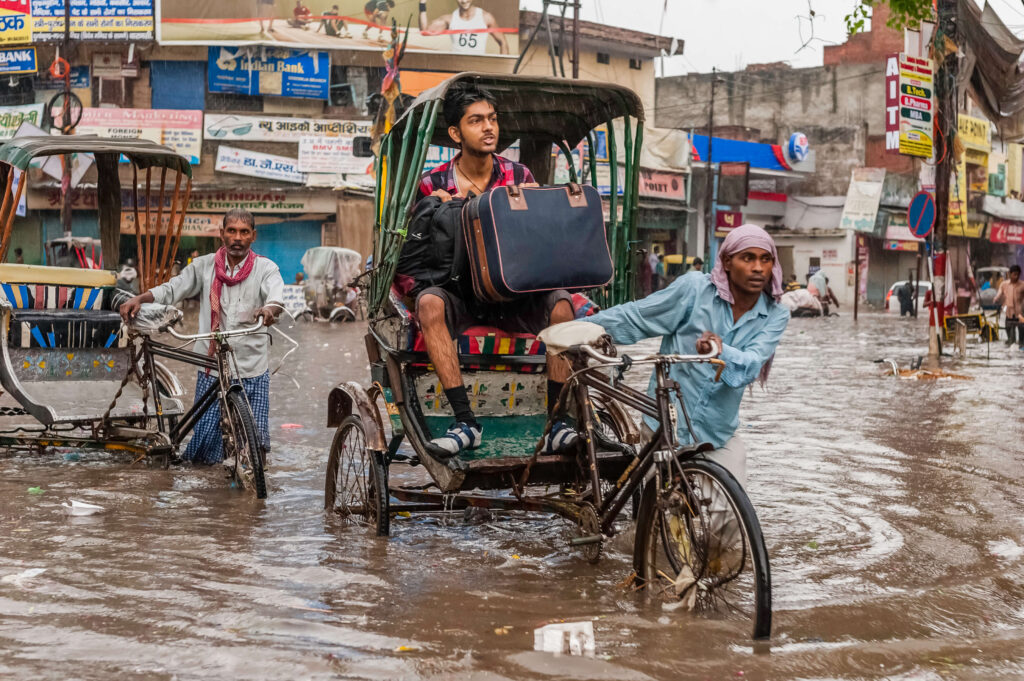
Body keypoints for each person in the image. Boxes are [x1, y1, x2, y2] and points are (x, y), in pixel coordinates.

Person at [410, 82, 575, 458]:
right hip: (461, 293)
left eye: (493, 119)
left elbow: (541, 240)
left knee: (562, 305)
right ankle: (465, 421)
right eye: (476, 121)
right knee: (429, 304)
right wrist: (434, 212)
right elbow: (415, 257)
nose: (489, 128)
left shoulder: (520, 177)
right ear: (456, 133)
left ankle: (556, 423)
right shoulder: (432, 184)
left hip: (514, 292)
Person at [587, 224, 790, 487]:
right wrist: (587, 327)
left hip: (716, 435)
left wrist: (720, 350)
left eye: (765, 259)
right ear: (727, 261)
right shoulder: (695, 289)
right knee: (660, 513)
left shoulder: (776, 314)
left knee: (730, 518)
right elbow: (638, 317)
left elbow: (750, 366)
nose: (758, 268)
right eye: (747, 258)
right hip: (664, 426)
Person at [118, 209, 285, 465]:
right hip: (211, 366)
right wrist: (140, 298)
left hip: (251, 366)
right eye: (231, 231)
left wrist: (269, 310)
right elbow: (174, 288)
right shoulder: (205, 266)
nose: (237, 237)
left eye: (243, 232)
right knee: (206, 444)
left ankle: (252, 488)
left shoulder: (265, 268)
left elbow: (276, 297)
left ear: (253, 236)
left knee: (256, 439)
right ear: (222, 234)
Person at [419, 0, 510, 55]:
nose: (464, 0)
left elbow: (503, 43)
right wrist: (422, 3)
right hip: (457, 70)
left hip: (477, 71)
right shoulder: (450, 19)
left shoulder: (486, 17)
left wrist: (503, 75)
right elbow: (424, 31)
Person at [995, 264, 1024, 348]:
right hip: (1009, 315)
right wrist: (996, 298)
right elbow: (999, 292)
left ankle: (1020, 354)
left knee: (1022, 340)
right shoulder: (1004, 284)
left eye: (1018, 274)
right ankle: (1010, 357)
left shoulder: (1022, 285)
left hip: (1020, 315)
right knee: (1011, 340)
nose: (1016, 276)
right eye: (1014, 274)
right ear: (1009, 274)